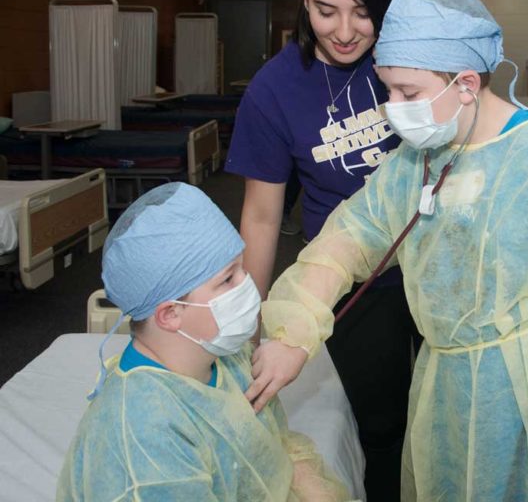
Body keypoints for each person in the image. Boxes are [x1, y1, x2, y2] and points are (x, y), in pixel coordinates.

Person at [247, 0, 528, 501]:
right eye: (388, 90)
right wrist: (292, 330)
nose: (393, 107)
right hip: (451, 393)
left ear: (467, 84)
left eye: (408, 93)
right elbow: (347, 239)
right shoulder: (416, 162)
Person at [224, 0, 419, 500]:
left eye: (364, 12)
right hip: (354, 281)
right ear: (303, 0)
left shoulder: (412, 59)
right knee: (381, 423)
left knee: (455, 409)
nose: (344, 32)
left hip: (439, 262)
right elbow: (261, 218)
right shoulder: (275, 90)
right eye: (326, 10)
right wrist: (250, 322)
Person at [57, 183, 352, 502]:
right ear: (170, 314)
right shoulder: (145, 436)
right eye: (228, 279)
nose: (248, 284)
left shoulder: (225, 355)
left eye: (241, 267)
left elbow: (272, 450)